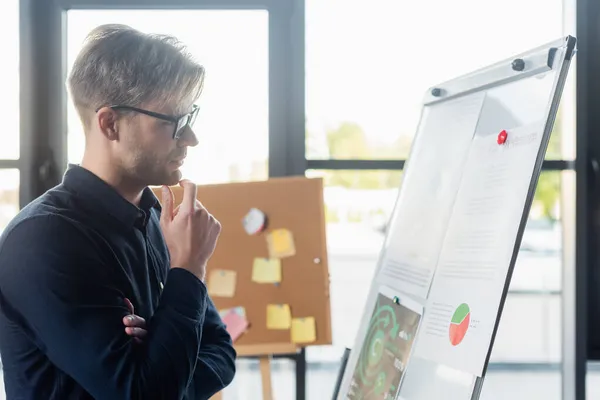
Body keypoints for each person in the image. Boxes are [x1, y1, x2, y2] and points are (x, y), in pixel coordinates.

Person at [0, 24, 236, 399]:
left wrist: (160, 359)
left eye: (190, 118)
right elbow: (143, 393)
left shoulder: (158, 220)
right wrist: (188, 270)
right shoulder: (42, 240)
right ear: (110, 124)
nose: (191, 138)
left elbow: (222, 354)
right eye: (174, 123)